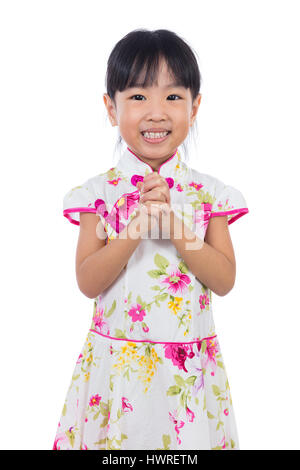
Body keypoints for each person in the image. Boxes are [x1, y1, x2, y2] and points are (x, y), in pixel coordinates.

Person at [53, 28, 249, 451]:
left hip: (186, 378)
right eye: (139, 97)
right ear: (111, 107)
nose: (157, 112)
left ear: (195, 107)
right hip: (117, 375)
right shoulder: (98, 195)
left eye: (173, 97)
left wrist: (175, 225)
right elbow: (89, 281)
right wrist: (136, 227)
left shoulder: (209, 195)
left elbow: (224, 279)